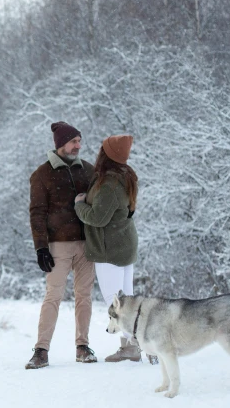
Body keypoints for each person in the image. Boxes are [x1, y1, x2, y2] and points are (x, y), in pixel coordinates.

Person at [25, 121, 97, 369]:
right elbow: (37, 213)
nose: (78, 145)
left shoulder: (88, 170)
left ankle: (82, 347)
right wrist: (41, 247)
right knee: (53, 296)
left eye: (79, 141)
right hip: (58, 246)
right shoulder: (42, 174)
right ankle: (41, 350)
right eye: (73, 141)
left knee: (84, 297)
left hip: (87, 246)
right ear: (60, 144)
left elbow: (102, 202)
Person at [74, 135, 142, 362]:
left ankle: (134, 346)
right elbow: (128, 211)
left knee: (115, 301)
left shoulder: (110, 184)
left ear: (106, 154)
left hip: (110, 248)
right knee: (127, 299)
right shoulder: (127, 175)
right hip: (124, 244)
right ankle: (135, 345)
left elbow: (98, 218)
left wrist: (79, 205)